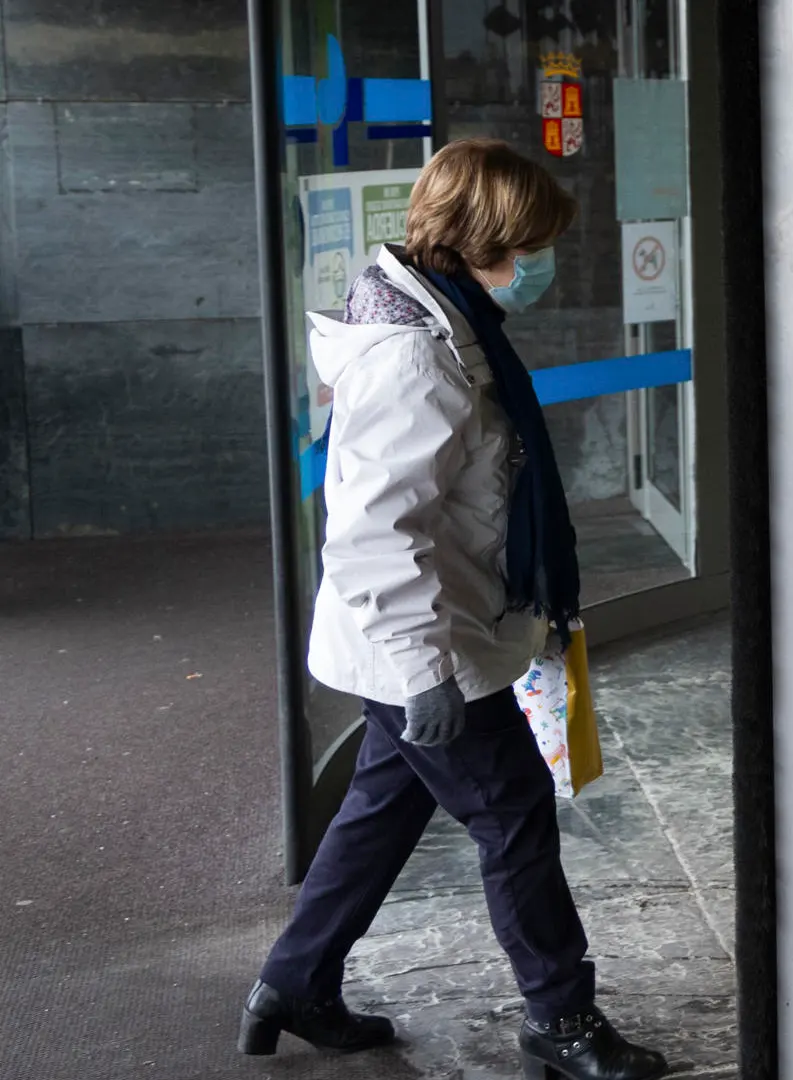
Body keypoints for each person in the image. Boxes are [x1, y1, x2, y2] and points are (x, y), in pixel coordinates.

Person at [239, 140, 668, 1080]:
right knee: (513, 815)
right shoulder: (415, 360)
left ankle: (295, 981)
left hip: (439, 627)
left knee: (382, 809)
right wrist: (425, 670)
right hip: (421, 643)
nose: (545, 264)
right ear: (488, 244)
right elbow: (372, 535)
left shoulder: (450, 326)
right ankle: (561, 1021)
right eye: (536, 246)